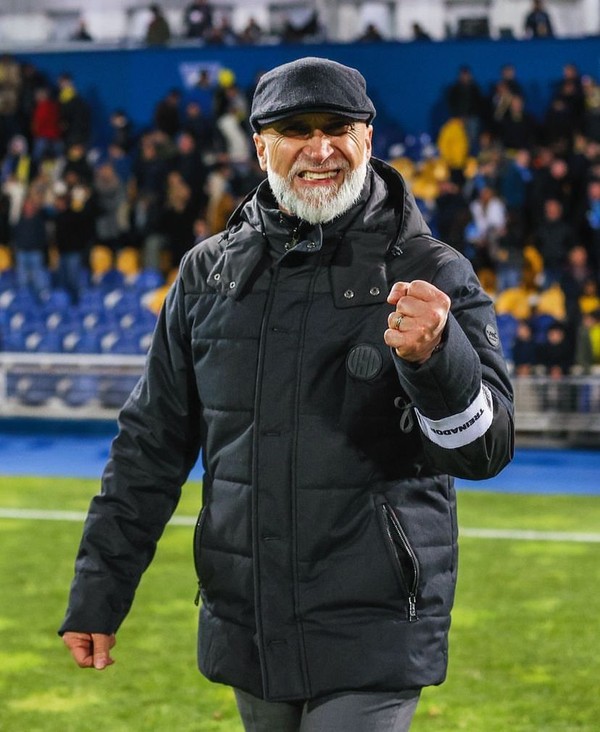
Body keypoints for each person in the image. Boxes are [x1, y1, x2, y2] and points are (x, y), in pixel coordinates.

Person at [59, 57, 514, 732]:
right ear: (260, 147)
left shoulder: (432, 271)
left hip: (373, 628)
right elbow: (150, 447)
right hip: (250, 623)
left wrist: (438, 358)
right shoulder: (205, 275)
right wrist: (100, 588)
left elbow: (487, 449)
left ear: (367, 138)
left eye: (337, 128)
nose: (319, 149)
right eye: (295, 130)